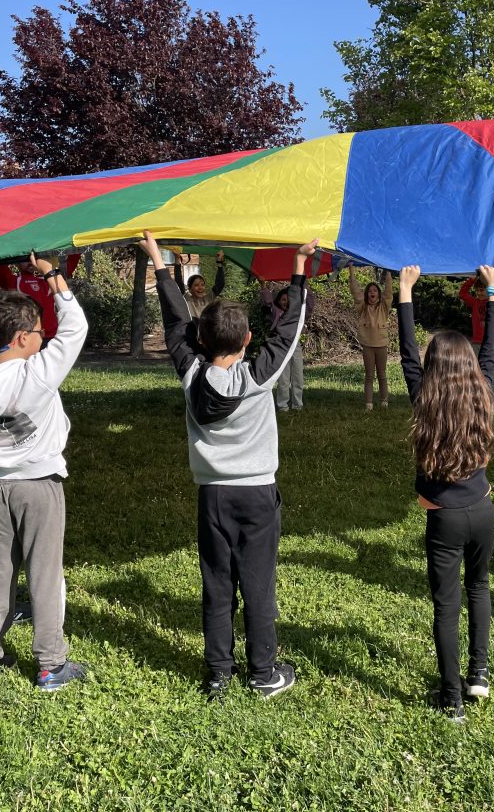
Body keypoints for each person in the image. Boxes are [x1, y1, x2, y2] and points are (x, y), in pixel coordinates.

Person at [140, 230, 316, 700]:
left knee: (217, 585)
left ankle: (218, 673)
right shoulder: (259, 374)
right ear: (249, 339)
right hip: (257, 495)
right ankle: (263, 673)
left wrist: (160, 262)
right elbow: (290, 328)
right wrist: (298, 268)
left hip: (213, 496)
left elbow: (175, 320)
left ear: (200, 339)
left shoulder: (191, 373)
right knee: (258, 586)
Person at [0, 254, 89, 689]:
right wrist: (53, 275)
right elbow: (75, 328)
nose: (43, 335)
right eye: (37, 331)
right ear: (19, 338)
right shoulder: (39, 373)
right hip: (39, 486)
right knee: (45, 577)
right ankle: (51, 664)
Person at [398, 263, 494, 722]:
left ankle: (452, 696)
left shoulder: (424, 398)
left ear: (433, 365)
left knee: (446, 604)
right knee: (478, 588)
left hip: (444, 517)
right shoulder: (484, 394)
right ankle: (477, 675)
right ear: (469, 367)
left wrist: (404, 293)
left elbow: (405, 353)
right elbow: (492, 352)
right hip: (483, 511)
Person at [0, 254, 79, 341]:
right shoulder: (14, 282)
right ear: (17, 263)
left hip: (53, 336)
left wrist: (77, 248)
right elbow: (0, 265)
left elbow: (68, 268)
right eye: (26, 259)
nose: (30, 261)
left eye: (33, 258)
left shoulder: (47, 280)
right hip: (29, 339)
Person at [260, 282, 313, 411]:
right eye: (283, 299)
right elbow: (268, 301)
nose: (286, 302)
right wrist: (263, 285)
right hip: (281, 347)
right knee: (283, 378)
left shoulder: (296, 313)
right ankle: (283, 405)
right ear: (279, 301)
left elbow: (309, 305)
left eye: (288, 300)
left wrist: (307, 287)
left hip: (295, 346)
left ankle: (297, 404)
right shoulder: (276, 312)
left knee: (298, 376)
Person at [348, 266, 393, 410]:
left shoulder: (384, 307)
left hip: (381, 345)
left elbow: (389, 291)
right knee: (369, 376)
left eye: (375, 290)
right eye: (370, 291)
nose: (372, 293)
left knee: (382, 374)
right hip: (367, 344)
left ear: (379, 294)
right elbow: (355, 292)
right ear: (367, 294)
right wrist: (351, 271)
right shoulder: (362, 307)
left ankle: (384, 401)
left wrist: (388, 269)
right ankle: (369, 403)